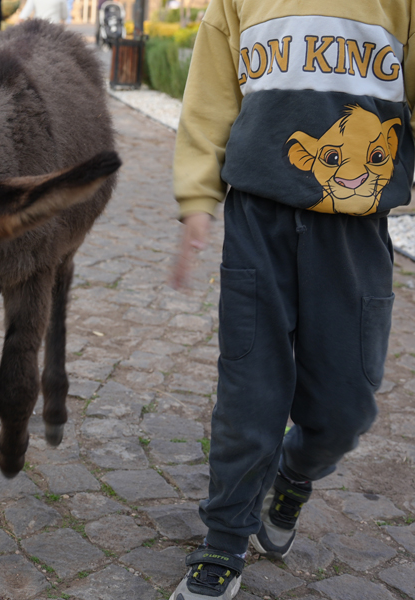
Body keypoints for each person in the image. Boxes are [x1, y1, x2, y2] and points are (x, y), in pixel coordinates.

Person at [170, 1, 414, 599]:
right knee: (249, 391)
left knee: (346, 408)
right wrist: (198, 199)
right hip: (259, 220)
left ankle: (295, 472)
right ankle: (224, 539)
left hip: (354, 235)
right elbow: (208, 103)